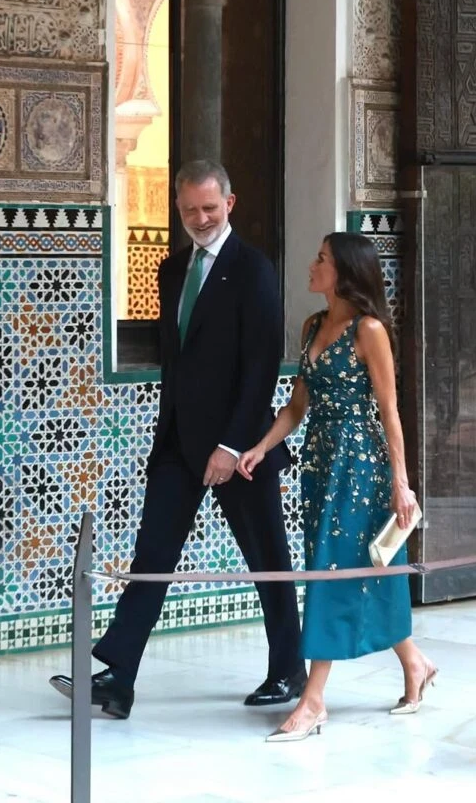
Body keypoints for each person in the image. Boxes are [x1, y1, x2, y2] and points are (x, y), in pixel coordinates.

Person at [50, 160, 305, 718]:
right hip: (177, 445)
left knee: (267, 557)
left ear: (230, 205)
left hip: (241, 448)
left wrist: (234, 446)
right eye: (190, 209)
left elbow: (260, 367)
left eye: (210, 208)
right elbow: (179, 362)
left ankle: (288, 671)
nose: (200, 218)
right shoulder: (170, 270)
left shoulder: (255, 270)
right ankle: (117, 677)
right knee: (153, 556)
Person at [237, 232, 437, 742]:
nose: (311, 265)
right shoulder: (311, 327)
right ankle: (415, 664)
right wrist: (260, 447)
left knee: (331, 570)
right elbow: (297, 407)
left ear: (345, 272)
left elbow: (389, 412)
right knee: (371, 566)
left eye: (321, 259)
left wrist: (402, 484)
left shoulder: (369, 330)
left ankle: (314, 698)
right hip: (321, 466)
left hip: (362, 469)